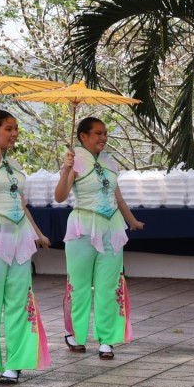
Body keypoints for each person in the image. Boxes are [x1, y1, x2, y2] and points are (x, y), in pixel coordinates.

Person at [0, 110, 51, 385]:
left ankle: (14, 362)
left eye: (16, 129)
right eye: (8, 129)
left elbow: (21, 204)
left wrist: (38, 233)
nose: (14, 134)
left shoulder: (13, 164)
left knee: (19, 299)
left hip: (20, 237)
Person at [54, 117, 143, 360]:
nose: (103, 137)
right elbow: (60, 196)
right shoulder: (75, 161)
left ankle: (107, 340)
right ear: (83, 136)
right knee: (79, 285)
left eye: (105, 133)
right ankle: (75, 334)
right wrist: (65, 170)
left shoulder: (109, 163)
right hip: (83, 227)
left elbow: (118, 198)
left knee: (109, 285)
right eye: (97, 133)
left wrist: (131, 221)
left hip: (112, 229)